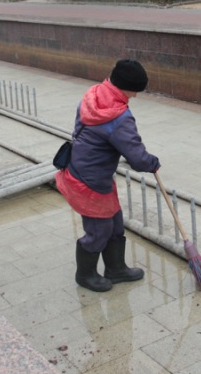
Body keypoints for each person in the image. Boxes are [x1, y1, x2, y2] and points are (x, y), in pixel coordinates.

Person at [55, 59, 160, 292]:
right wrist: (152, 163)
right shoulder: (119, 118)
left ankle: (116, 268)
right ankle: (85, 275)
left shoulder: (94, 94)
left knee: (114, 223)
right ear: (126, 87)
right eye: (135, 90)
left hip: (85, 170)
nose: (135, 96)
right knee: (99, 229)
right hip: (90, 180)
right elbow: (137, 157)